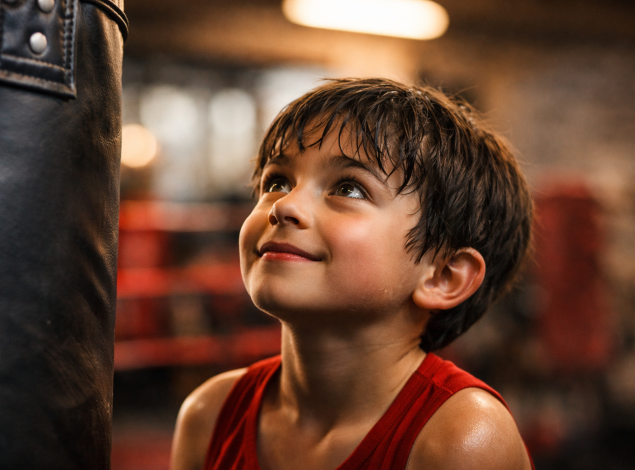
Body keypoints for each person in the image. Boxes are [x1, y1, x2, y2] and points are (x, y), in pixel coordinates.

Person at [171, 78, 534, 470]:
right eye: (277, 181)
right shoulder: (209, 415)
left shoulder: (462, 438)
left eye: (349, 188)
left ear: (443, 276)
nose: (285, 206)